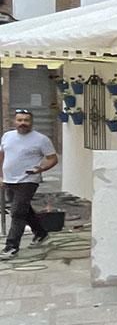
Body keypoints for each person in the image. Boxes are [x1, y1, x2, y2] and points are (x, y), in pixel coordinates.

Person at [0, 109, 59, 257]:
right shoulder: (7, 136)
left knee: (17, 212)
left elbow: (53, 158)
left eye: (26, 120)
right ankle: (41, 233)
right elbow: (2, 155)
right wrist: (0, 176)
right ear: (15, 121)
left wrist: (41, 168)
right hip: (9, 179)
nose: (23, 123)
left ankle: (11, 247)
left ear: (31, 122)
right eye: (20, 120)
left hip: (28, 179)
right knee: (24, 209)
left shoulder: (41, 139)